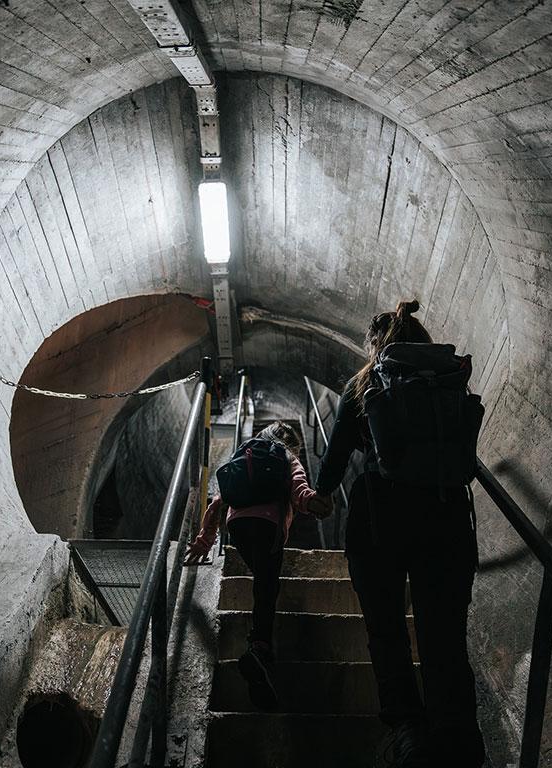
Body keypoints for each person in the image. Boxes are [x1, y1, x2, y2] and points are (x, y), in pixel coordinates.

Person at [316, 299, 485, 768]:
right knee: (444, 635)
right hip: (447, 513)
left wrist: (321, 494)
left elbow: (334, 461)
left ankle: (409, 733)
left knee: (387, 629)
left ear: (376, 344)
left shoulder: (365, 382)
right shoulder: (447, 378)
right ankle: (456, 736)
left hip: (380, 514)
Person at [184, 421, 332, 710]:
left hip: (238, 526)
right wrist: (315, 504)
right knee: (267, 586)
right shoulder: (287, 457)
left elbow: (218, 501)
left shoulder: (244, 453)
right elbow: (299, 490)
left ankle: (259, 648)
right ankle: (260, 648)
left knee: (261, 574)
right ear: (293, 445)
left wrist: (204, 541)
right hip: (269, 525)